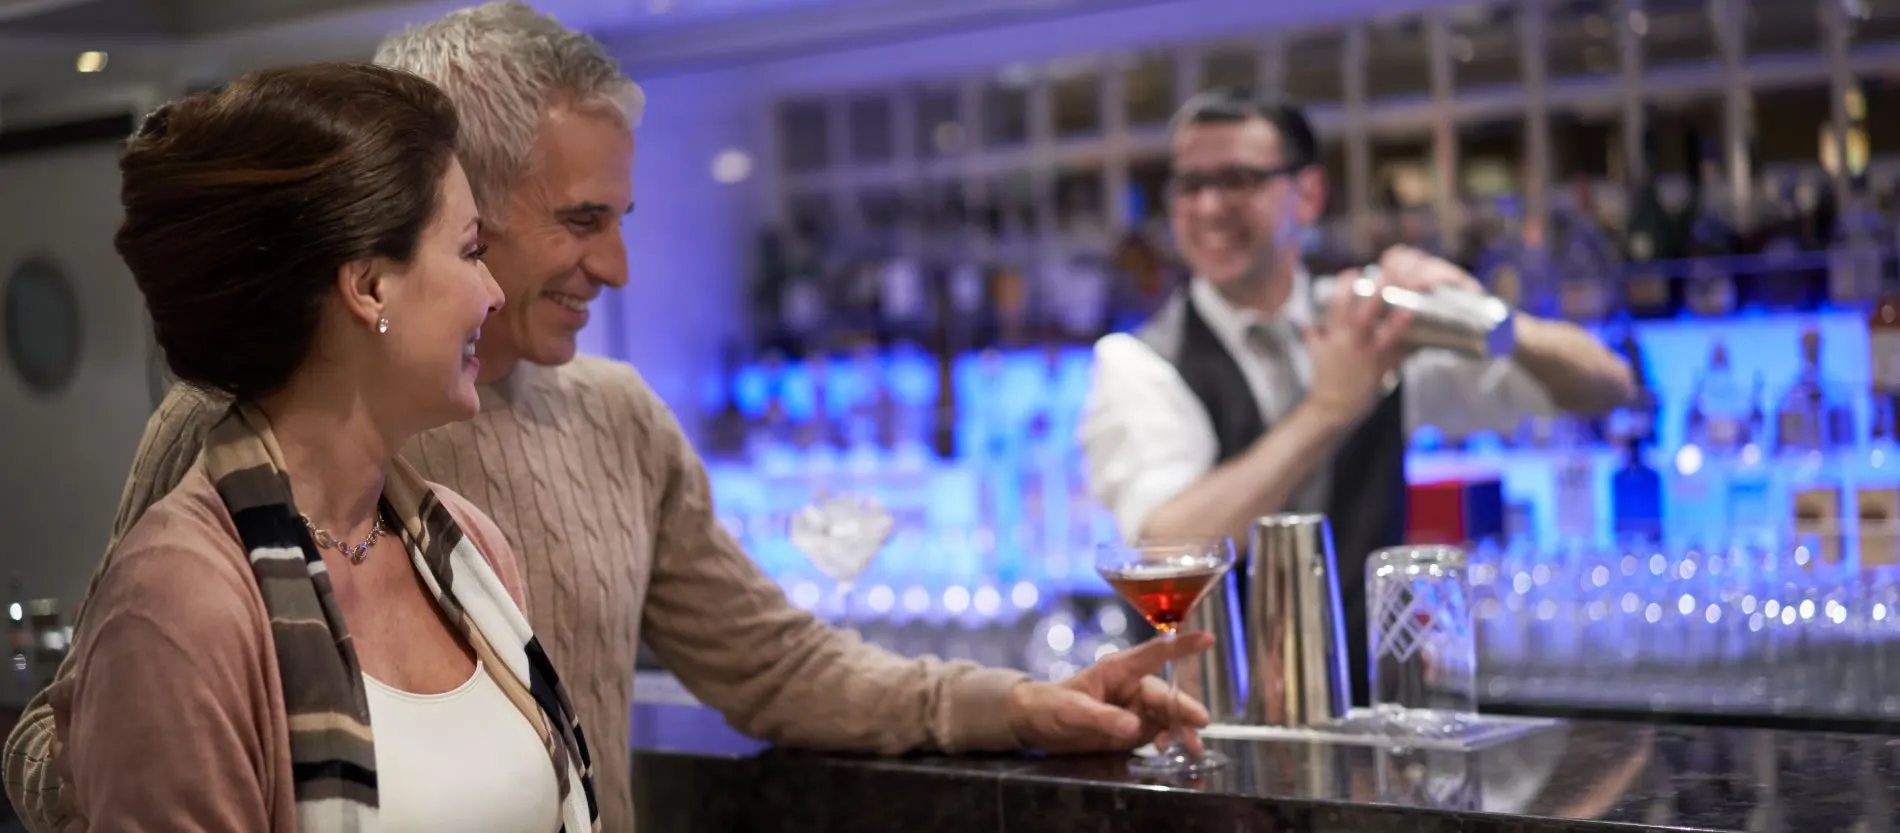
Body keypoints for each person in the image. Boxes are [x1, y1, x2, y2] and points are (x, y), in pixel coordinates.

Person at [5, 5, 1211, 831]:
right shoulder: (224, 442)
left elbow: (776, 662)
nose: (619, 266)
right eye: (581, 220)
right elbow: (84, 732)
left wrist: (1015, 705)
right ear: (451, 206)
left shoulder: (587, 439)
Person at [40, 62, 599, 832]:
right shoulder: (179, 600)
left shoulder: (469, 548)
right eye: (470, 251)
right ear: (368, 286)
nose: (491, 294)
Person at [1078, 89, 1634, 708]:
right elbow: (1167, 546)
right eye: (1188, 185)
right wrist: (1330, 408)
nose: (1208, 206)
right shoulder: (1137, 361)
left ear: (1308, 195)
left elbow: (1606, 387)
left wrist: (1479, 312)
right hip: (1209, 729)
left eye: (1238, 180)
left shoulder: (1373, 322)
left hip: (1370, 725)